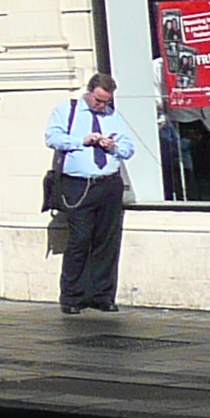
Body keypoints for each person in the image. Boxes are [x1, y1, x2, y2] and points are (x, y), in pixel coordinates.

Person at [47, 72, 138, 313]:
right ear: (89, 92)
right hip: (78, 184)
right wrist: (82, 141)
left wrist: (113, 146)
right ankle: (72, 297)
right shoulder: (68, 109)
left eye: (105, 101)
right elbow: (52, 137)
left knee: (106, 240)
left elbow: (129, 148)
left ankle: (102, 295)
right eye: (98, 100)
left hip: (108, 183)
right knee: (79, 239)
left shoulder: (112, 116)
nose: (101, 106)